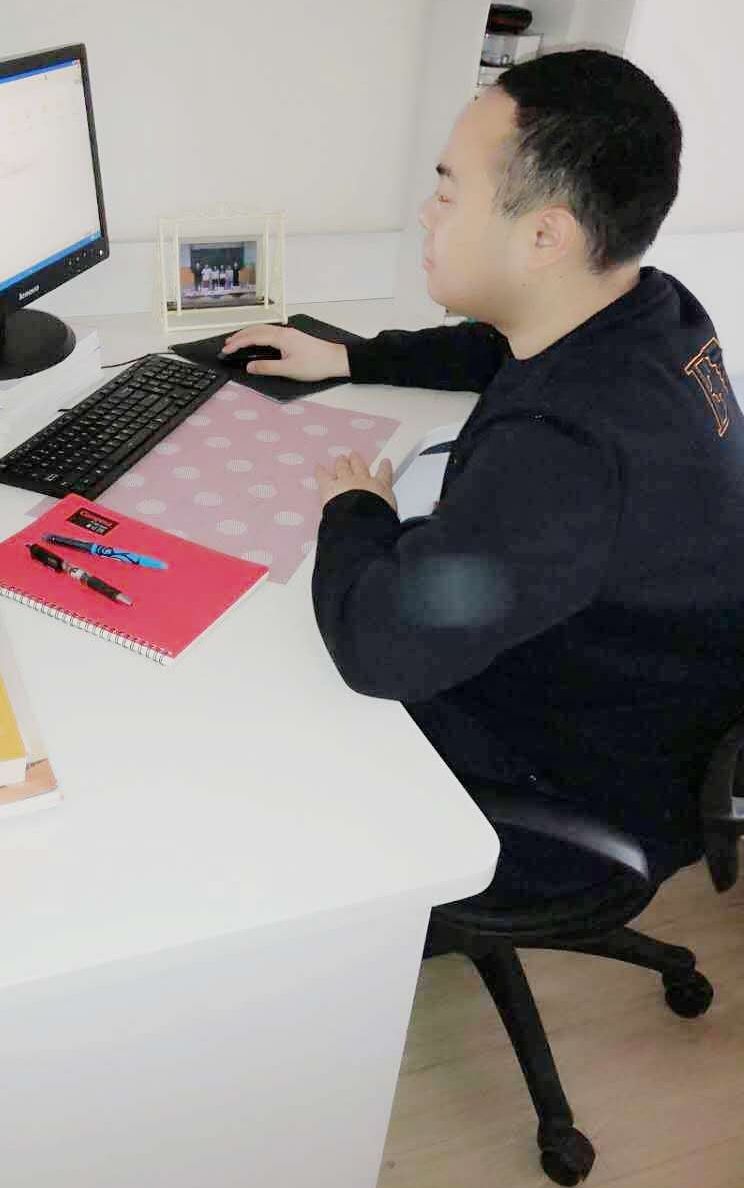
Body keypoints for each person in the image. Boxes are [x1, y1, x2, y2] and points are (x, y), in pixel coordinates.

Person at [222, 50, 744, 895]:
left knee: (262, 692)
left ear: (544, 237)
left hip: (571, 790)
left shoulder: (565, 458)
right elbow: (500, 344)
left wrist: (357, 509)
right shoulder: (653, 311)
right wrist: (353, 357)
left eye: (448, 192)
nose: (425, 214)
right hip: (638, 696)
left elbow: (379, 651)